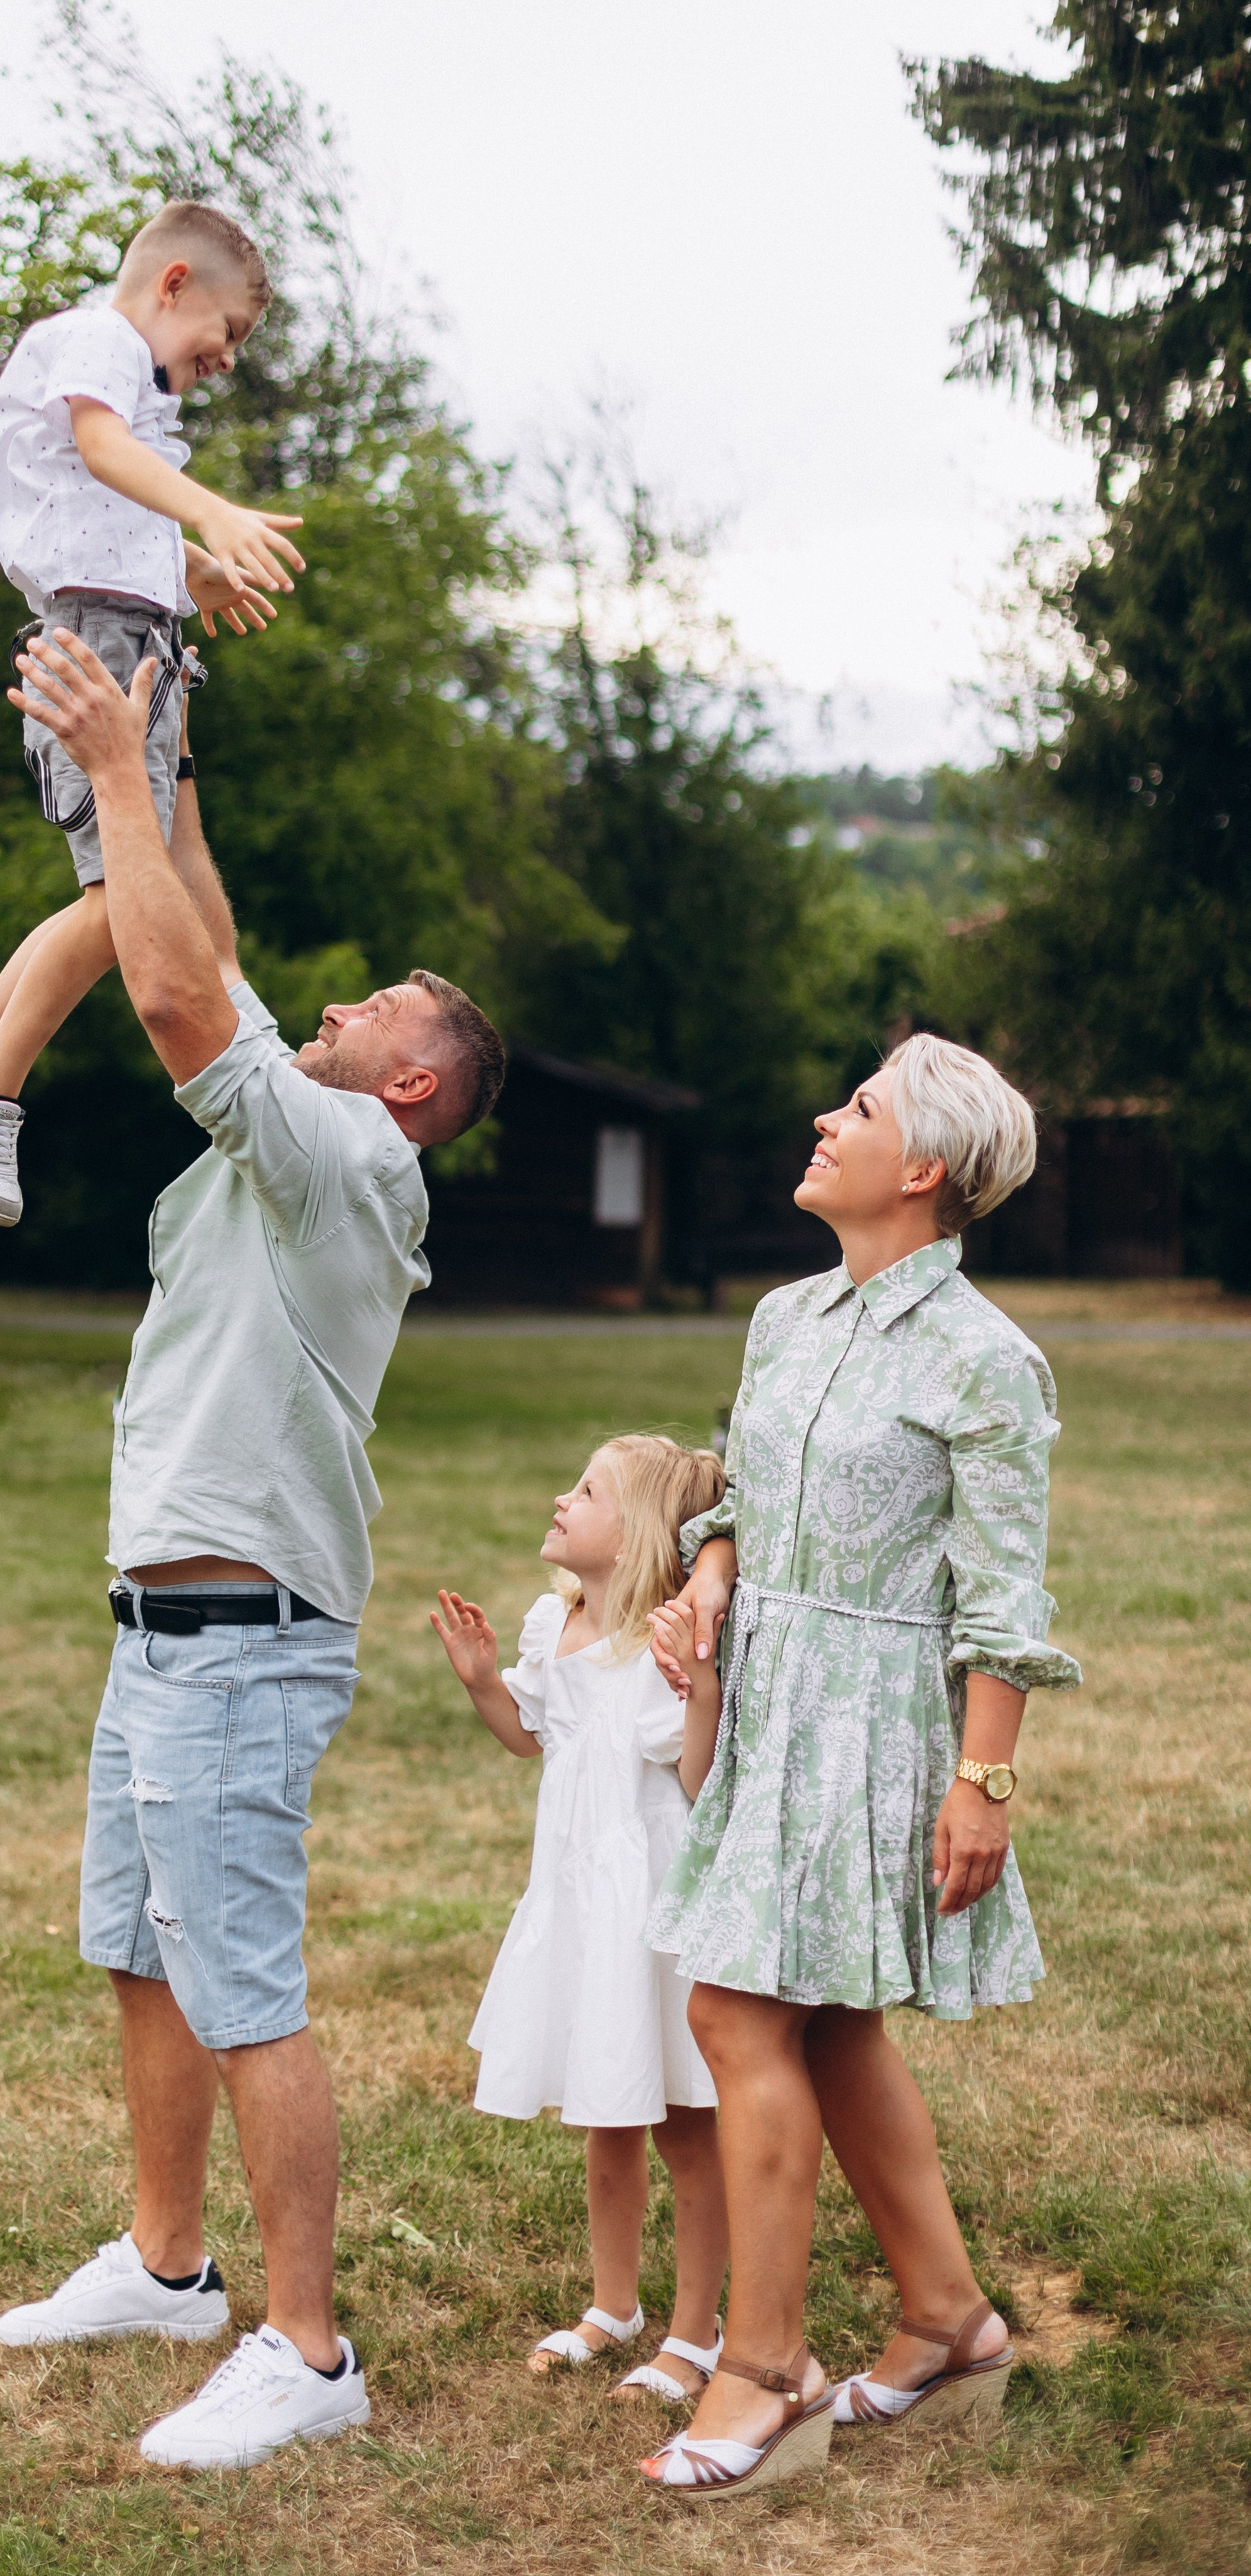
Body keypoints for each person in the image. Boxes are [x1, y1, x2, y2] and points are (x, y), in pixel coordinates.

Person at [0, 624, 505, 2472]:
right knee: (143, 1951)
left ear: (413, 1091)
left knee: (246, 1988)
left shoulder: (354, 1164)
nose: (336, 1009)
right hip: (158, 1631)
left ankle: (308, 2348)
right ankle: (167, 2262)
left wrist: (116, 775)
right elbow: (195, 929)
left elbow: (180, 1002)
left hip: (245, 1636)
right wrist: (170, 745)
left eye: (374, 1010)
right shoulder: (308, 1124)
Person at [635, 1034, 1081, 2501]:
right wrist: (708, 1569)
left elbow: (1003, 1600)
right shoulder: (783, 1316)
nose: (823, 1120)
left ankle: (762, 2370)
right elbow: (750, 1489)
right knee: (820, 2027)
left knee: (734, 2007)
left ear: (924, 1170)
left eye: (860, 1109)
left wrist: (982, 1784)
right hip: (769, 1705)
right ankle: (949, 2321)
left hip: (880, 1725)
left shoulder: (986, 1362)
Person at [0, 198, 307, 1228]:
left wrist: (192, 569)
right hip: (101, 638)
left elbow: (108, 503)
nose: (224, 362)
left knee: (127, 896)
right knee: (130, 900)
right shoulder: (95, 342)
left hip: (132, 632)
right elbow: (102, 447)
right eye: (225, 337)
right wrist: (206, 510)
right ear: (173, 285)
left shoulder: (129, 376)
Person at [429, 1435, 731, 2411]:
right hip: (575, 1902)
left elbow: (695, 1779)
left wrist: (702, 1690)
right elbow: (532, 1737)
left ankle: (697, 2332)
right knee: (605, 2112)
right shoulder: (550, 1627)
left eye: (587, 1491)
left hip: (649, 1917)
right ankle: (614, 2306)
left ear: (635, 1535)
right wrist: (484, 1681)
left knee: (686, 2129)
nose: (562, 1499)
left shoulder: (657, 1650)